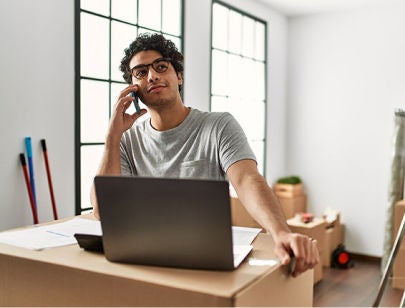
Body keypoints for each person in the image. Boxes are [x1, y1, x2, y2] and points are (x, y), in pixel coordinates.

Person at [90, 32, 318, 277]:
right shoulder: (126, 140)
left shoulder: (219, 125)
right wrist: (112, 138)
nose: (152, 76)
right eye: (141, 72)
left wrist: (280, 232)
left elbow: (247, 180)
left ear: (178, 76)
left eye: (161, 67)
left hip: (204, 257)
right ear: (133, 90)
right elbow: (102, 210)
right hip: (146, 258)